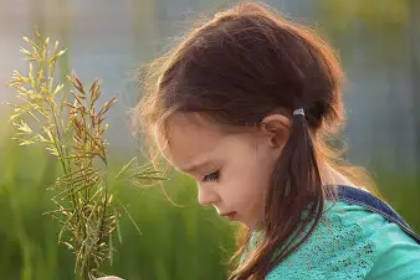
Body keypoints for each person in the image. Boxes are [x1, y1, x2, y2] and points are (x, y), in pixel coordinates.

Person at [103, 1, 420, 279]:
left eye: (212, 174)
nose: (203, 197)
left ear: (275, 135)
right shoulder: (310, 221)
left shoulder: (330, 239)